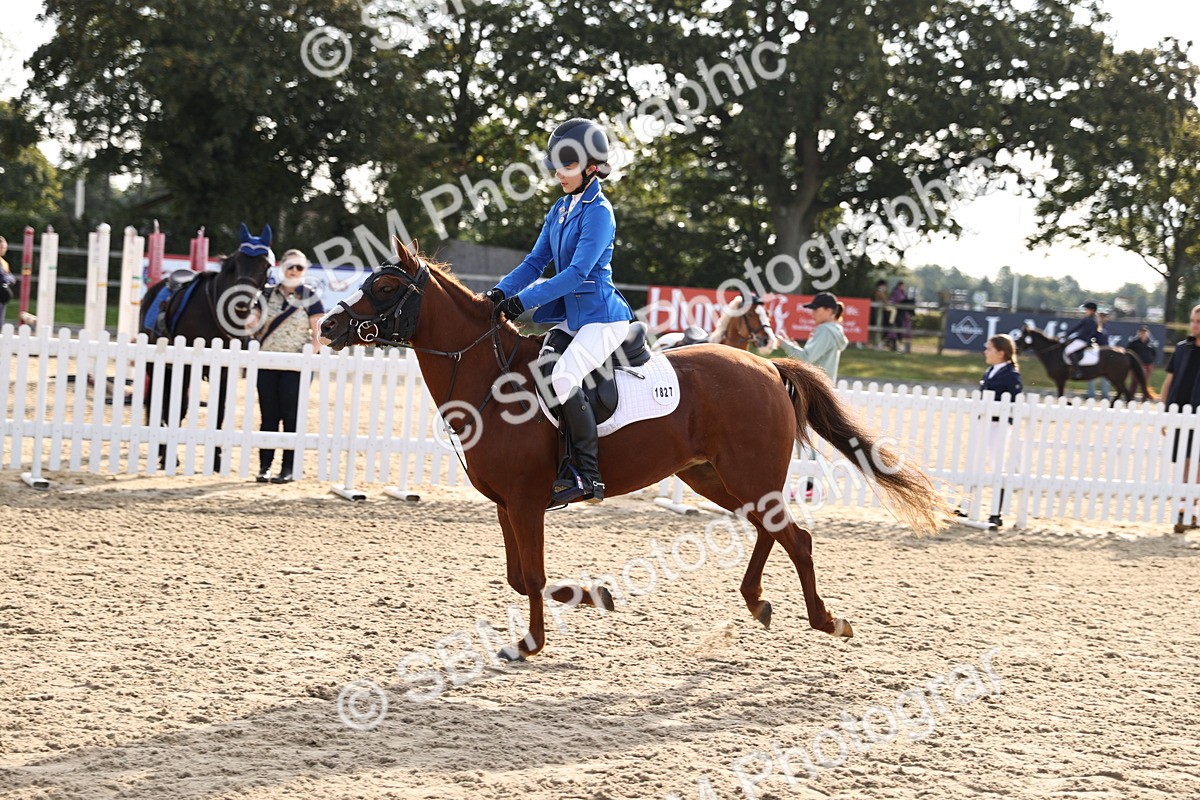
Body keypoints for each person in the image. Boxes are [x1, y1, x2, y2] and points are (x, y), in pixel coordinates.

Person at [484, 118, 634, 504]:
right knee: (538, 372)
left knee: (565, 378)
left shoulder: (599, 211)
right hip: (569, 317)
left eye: (566, 165)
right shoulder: (561, 208)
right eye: (556, 164)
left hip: (603, 318)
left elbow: (576, 273)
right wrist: (499, 293)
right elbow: (536, 261)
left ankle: (587, 474)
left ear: (591, 167)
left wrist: (521, 303)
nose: (557, 173)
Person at [251, 249, 325, 484]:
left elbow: (319, 333)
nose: (293, 271)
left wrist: (308, 358)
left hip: (296, 367)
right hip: (267, 363)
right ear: (281, 267)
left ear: (304, 271)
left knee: (292, 417)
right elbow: (249, 326)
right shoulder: (265, 294)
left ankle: (288, 469)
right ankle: (265, 467)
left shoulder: (311, 297)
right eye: (290, 266)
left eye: (299, 267)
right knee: (268, 416)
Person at [1159, 305, 1200, 533]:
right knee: (1185, 462)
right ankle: (1185, 510)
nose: (1194, 325)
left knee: (1199, 465)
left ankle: (1188, 510)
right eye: (1193, 320)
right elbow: (1169, 382)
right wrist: (1166, 413)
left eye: (1199, 321)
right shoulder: (1182, 349)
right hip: (1181, 416)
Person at [777, 292, 849, 382]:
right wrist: (793, 346)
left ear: (829, 310)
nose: (812, 313)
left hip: (814, 388)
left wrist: (783, 343)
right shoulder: (835, 329)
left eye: (816, 309)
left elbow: (805, 359)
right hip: (824, 387)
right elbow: (815, 359)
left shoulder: (825, 330)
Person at [1063, 301, 1099, 379]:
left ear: (1092, 311)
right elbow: (1076, 327)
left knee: (1068, 350)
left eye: (1087, 309)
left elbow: (1085, 333)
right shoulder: (1086, 319)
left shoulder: (1092, 321)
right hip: (1080, 339)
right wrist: (1066, 334)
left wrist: (1073, 338)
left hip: (1084, 341)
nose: (1085, 311)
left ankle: (1077, 371)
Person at [1086, 310, 1111, 400]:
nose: (1103, 318)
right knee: (1091, 374)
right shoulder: (1094, 327)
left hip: (1104, 355)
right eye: (1101, 316)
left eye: (1104, 317)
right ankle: (1091, 394)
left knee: (1105, 375)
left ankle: (1105, 395)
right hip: (1095, 353)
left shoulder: (1106, 328)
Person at [0, 236, 16, 328]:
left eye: (4, 247)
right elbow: (3, 277)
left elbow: (11, 278)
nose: (3, 249)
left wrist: (7, 279)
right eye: (1, 247)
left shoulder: (4, 263)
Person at [872, 279, 888, 348]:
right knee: (878, 327)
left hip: (879, 312)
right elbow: (885, 301)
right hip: (877, 312)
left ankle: (878, 343)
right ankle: (877, 343)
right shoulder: (879, 292)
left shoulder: (879, 292)